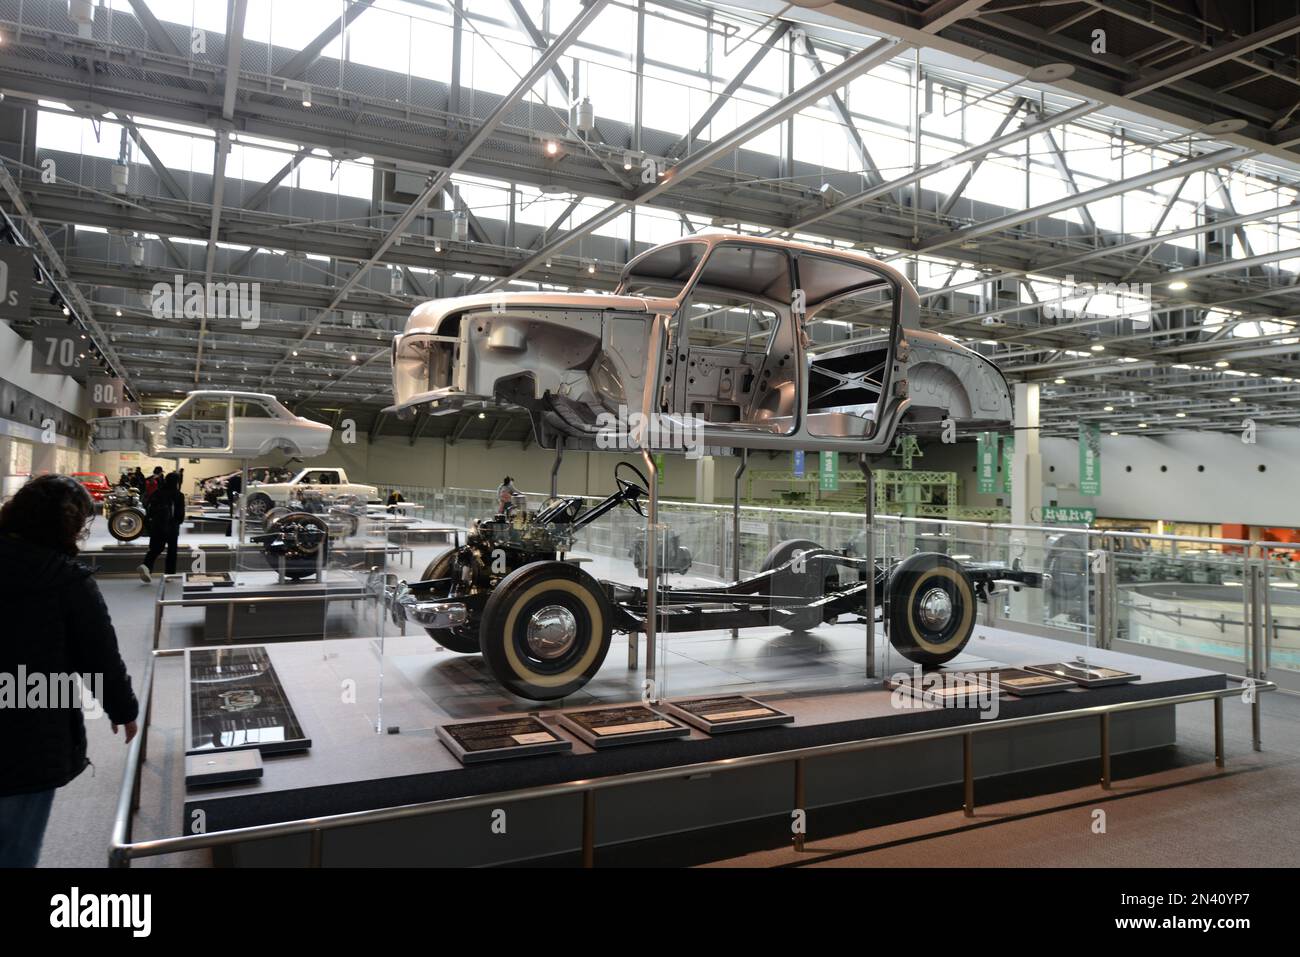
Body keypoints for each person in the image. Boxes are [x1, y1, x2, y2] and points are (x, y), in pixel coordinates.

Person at [0, 475, 138, 867]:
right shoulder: (64, 578)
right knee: (15, 848)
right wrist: (123, 709)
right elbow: (98, 654)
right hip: (30, 728)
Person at [137, 472, 185, 582]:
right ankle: (169, 575)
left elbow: (149, 510)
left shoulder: (157, 493)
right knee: (172, 552)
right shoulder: (179, 495)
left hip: (157, 526)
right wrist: (177, 522)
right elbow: (180, 515)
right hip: (172, 527)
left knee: (155, 549)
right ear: (176, 482)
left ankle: (146, 566)